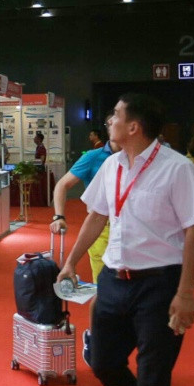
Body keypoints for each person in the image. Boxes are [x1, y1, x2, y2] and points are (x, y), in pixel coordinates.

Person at [56, 93, 194, 386]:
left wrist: (185, 292)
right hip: (113, 279)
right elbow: (97, 216)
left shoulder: (176, 168)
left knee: (153, 375)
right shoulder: (110, 165)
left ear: (134, 127)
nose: (109, 121)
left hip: (160, 284)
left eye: (115, 116)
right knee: (103, 360)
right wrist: (71, 261)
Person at [50, 115, 119, 367]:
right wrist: (59, 215)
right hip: (100, 230)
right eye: (110, 122)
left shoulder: (136, 157)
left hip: (130, 231)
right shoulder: (93, 157)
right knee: (106, 288)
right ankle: (95, 337)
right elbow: (62, 185)